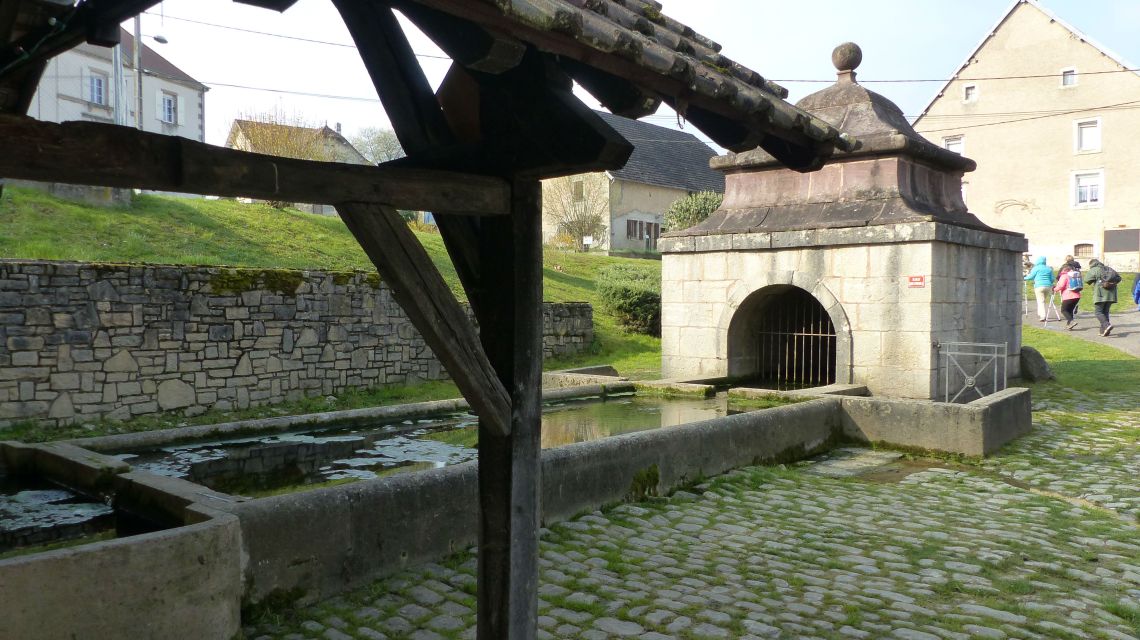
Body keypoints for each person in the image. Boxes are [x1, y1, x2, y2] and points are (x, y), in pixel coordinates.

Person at [1087, 258, 1117, 336]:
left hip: (1100, 294)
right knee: (1105, 312)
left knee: (1098, 312)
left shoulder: (1094, 269)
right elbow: (1118, 278)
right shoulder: (1109, 269)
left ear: (1091, 264)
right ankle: (1103, 331)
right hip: (1111, 294)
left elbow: (1087, 280)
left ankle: (1107, 325)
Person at [1024, 256, 1055, 322]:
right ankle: (1040, 313)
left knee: (1040, 301)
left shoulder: (1036, 268)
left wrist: (1024, 278)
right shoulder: (1049, 269)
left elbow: (1031, 276)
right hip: (1048, 286)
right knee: (1042, 300)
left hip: (1039, 286)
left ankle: (1042, 316)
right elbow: (1052, 279)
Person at [1053, 265, 1080, 329]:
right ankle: (1069, 325)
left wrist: (1054, 289)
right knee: (1070, 310)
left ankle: (1071, 321)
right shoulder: (1075, 275)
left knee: (1064, 310)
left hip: (1068, 296)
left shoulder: (1064, 276)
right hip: (1077, 296)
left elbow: (1061, 286)